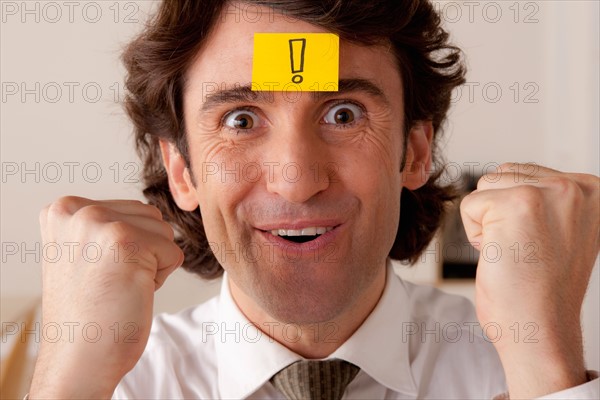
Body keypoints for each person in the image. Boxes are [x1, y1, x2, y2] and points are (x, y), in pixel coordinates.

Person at [29, 0, 599, 399]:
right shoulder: (115, 384)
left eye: (343, 114)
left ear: (415, 152)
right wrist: (66, 385)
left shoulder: (532, 369)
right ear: (182, 169)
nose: (297, 180)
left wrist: (545, 368)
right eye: (242, 118)